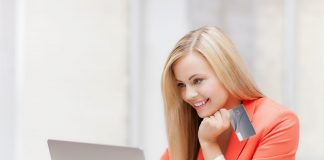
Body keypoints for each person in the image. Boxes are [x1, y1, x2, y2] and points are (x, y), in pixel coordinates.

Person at [160, 26, 299, 160]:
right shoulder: (192, 125)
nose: (188, 95)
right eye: (181, 85)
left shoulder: (276, 123)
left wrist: (209, 145)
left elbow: (243, 130)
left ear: (226, 72)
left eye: (197, 81)